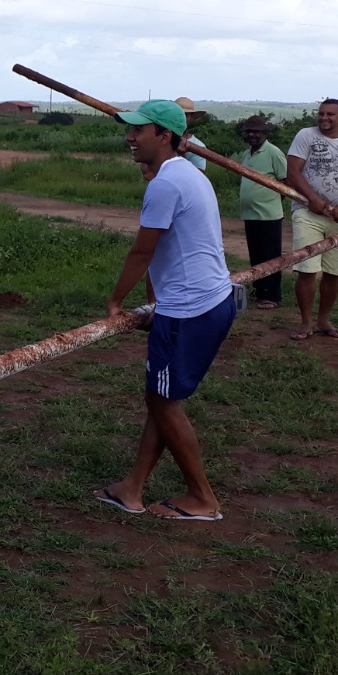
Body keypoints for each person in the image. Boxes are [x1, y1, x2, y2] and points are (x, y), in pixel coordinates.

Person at [94, 99, 235, 521]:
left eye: (139, 131)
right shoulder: (188, 175)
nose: (129, 138)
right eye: (130, 130)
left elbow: (143, 251)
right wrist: (155, 302)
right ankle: (131, 489)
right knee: (161, 398)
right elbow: (166, 253)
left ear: (165, 136)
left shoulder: (166, 184)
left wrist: (117, 301)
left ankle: (202, 499)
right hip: (204, 302)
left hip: (190, 312)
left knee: (164, 404)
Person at [287, 99, 338, 340]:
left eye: (331, 114)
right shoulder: (306, 136)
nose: (324, 118)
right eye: (321, 113)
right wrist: (311, 198)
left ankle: (323, 321)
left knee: (334, 272)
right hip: (307, 213)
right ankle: (305, 323)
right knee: (307, 269)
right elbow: (293, 172)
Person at [237, 115, 288, 309]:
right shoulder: (246, 154)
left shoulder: (273, 152)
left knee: (270, 256)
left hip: (269, 215)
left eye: (256, 131)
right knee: (256, 255)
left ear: (265, 133)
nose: (252, 135)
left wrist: (271, 201)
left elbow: (285, 182)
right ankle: (259, 291)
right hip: (250, 214)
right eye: (249, 131)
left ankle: (272, 296)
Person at [175, 96, 209, 170]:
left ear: (191, 117)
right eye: (178, 114)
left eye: (185, 115)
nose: (181, 118)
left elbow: (197, 178)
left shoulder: (199, 147)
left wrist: (181, 155)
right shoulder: (161, 138)